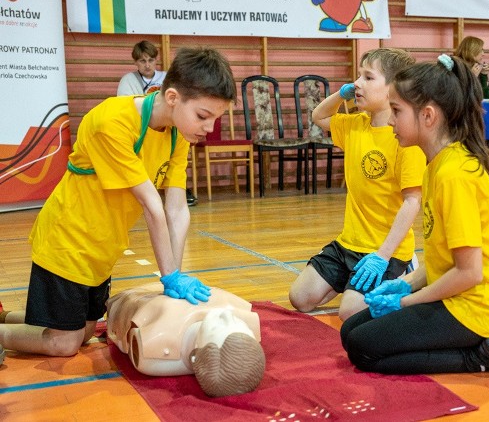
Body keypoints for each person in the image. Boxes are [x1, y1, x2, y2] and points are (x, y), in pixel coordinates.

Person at [0, 47, 236, 358]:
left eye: (215, 119)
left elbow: (176, 209)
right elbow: (152, 204)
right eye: (203, 117)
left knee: (83, 333)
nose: (209, 128)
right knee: (65, 343)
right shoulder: (112, 122)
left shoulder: (178, 134)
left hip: (103, 247)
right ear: (173, 98)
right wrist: (169, 277)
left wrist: (174, 277)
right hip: (68, 241)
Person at [340, 54, 489, 375]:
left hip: (481, 305)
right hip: (458, 291)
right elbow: (442, 259)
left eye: (396, 111)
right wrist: (406, 284)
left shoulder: (454, 174)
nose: (390, 121)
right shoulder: (435, 165)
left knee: (364, 349)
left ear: (428, 116)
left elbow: (469, 273)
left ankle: (482, 355)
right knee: (351, 331)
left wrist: (406, 302)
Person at [288, 48, 426, 321]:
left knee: (349, 312)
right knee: (300, 299)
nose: (357, 84)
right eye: (358, 76)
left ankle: (407, 271)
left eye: (368, 77)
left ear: (393, 89)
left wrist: (383, 256)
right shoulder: (355, 125)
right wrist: (342, 94)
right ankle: (352, 280)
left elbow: (412, 202)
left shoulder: (406, 140)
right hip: (348, 244)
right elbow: (319, 117)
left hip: (385, 250)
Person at [107, 283, 265, 397]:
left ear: (198, 354)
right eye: (239, 324)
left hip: (138, 296)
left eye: (219, 326)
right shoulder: (236, 310)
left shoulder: (159, 341)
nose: (227, 315)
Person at [117, 40, 197, 206]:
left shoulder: (166, 78)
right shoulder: (128, 80)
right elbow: (126, 107)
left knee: (179, 147)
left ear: (156, 60)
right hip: (139, 131)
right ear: (135, 62)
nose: (147, 65)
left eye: (151, 60)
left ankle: (178, 189)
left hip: (164, 130)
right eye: (142, 61)